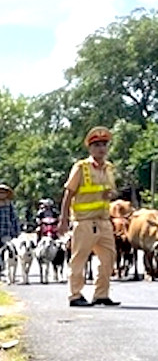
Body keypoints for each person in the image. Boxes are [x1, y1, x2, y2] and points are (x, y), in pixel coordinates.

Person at [58, 126, 119, 307]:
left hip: (104, 221)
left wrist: (110, 195)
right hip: (84, 221)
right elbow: (68, 193)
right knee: (79, 259)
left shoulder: (108, 168)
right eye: (97, 145)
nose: (101, 148)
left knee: (109, 258)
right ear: (90, 148)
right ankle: (75, 295)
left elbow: (109, 191)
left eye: (104, 145)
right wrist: (63, 219)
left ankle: (101, 294)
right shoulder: (81, 167)